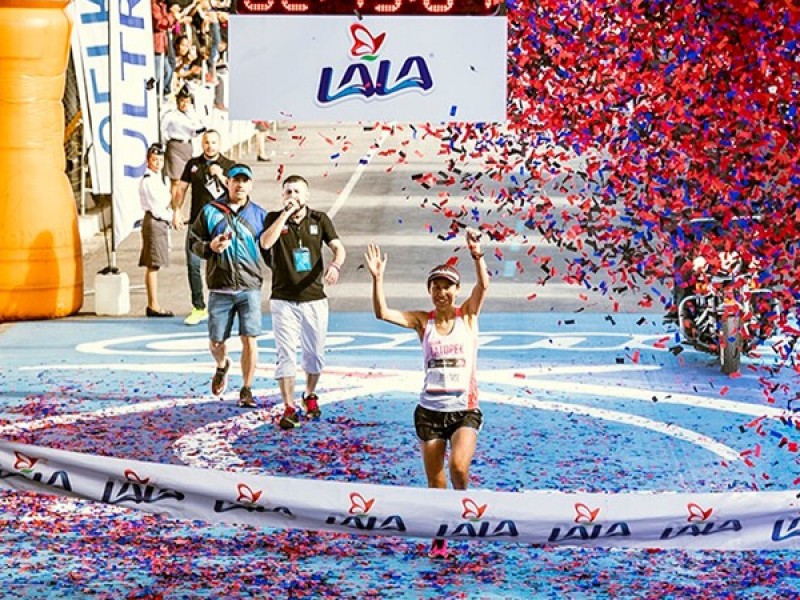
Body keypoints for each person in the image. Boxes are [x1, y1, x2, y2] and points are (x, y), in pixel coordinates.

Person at [364, 229, 489, 558]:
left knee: (459, 468)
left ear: (456, 290)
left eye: (447, 286)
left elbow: (483, 287)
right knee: (435, 481)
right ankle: (440, 535)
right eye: (436, 286)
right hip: (429, 413)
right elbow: (383, 313)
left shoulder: (469, 316)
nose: (441, 291)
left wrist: (477, 256)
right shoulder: (423, 321)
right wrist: (378, 278)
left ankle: (464, 507)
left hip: (464, 409)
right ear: (430, 291)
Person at [259, 175, 346, 430]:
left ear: (306, 196)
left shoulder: (320, 219)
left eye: (297, 192)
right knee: (285, 353)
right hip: (283, 299)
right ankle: (288, 405)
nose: (292, 196)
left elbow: (338, 248)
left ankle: (309, 393)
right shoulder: (273, 218)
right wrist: (284, 216)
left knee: (314, 355)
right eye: (288, 192)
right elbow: (265, 242)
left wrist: (335, 265)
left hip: (313, 298)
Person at [189, 163, 267, 408]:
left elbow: (270, 249)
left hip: (249, 286)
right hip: (220, 287)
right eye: (236, 180)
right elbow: (194, 241)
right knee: (216, 342)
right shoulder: (210, 212)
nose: (240, 185)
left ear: (251, 184)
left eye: (245, 180)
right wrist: (209, 248)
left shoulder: (259, 215)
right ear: (228, 183)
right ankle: (222, 366)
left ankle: (247, 388)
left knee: (249, 339)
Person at [172, 129, 235, 325]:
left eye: (214, 142)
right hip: (197, 223)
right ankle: (198, 306)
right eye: (207, 142)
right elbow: (181, 188)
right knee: (193, 264)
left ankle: (226, 307)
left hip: (221, 223)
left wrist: (222, 176)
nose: (210, 146)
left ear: (220, 144)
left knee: (223, 265)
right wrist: (176, 210)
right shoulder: (193, 164)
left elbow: (238, 191)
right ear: (202, 144)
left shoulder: (229, 165)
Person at [138, 143, 174, 317]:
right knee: (153, 264)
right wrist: (172, 217)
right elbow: (156, 208)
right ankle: (153, 304)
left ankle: (154, 303)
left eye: (160, 159)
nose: (158, 163)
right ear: (148, 161)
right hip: (155, 220)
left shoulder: (158, 178)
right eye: (154, 160)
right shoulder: (148, 181)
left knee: (155, 263)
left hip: (160, 220)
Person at [161, 85, 205, 199]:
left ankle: (179, 206)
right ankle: (174, 208)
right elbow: (163, 130)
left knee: (185, 182)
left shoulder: (192, 116)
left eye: (187, 101)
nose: (184, 104)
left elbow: (198, 130)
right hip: (175, 145)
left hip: (188, 146)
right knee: (175, 181)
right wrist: (166, 144)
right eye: (182, 101)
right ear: (177, 101)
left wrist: (192, 114)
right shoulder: (171, 115)